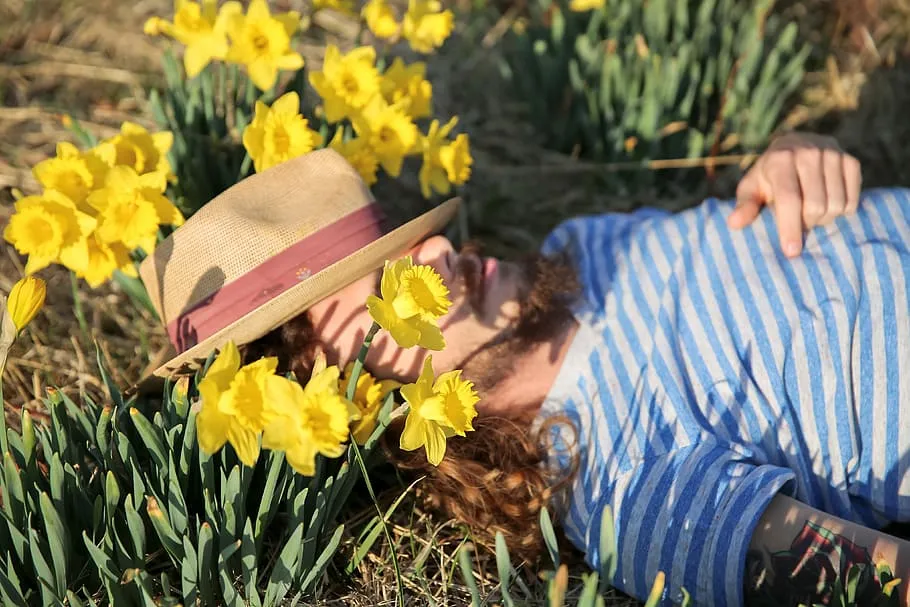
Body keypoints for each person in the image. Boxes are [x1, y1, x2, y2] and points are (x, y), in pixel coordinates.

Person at [138, 132, 910, 607]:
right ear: (357, 404)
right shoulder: (622, 485)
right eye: (394, 290)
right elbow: (875, 579)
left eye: (408, 239)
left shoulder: (580, 242)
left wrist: (797, 151)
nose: (441, 250)